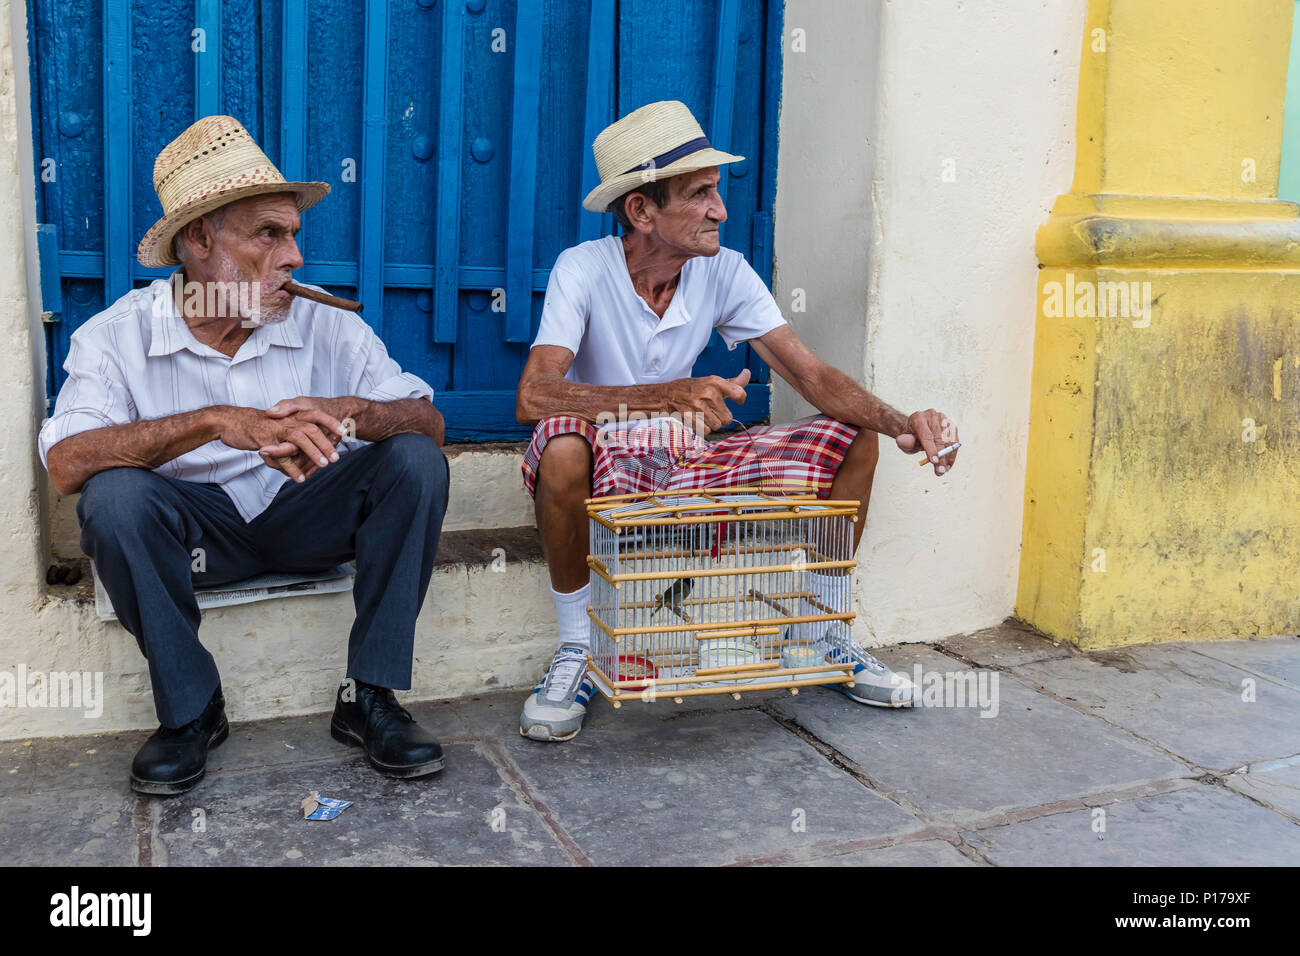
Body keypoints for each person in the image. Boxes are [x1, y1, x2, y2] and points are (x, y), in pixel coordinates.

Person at [515, 101, 961, 742]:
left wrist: (901, 421)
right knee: (559, 448)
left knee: (854, 438)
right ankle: (576, 651)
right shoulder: (582, 269)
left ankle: (825, 633)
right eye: (698, 195)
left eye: (715, 192)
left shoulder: (724, 270)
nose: (719, 210)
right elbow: (534, 397)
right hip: (605, 460)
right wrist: (670, 396)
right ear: (641, 211)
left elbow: (810, 376)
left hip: (691, 462)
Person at [39, 116, 450, 794]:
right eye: (268, 234)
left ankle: (370, 696)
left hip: (307, 517)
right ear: (199, 240)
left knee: (412, 459)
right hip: (198, 534)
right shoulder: (115, 337)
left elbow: (428, 423)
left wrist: (356, 414)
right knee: (114, 496)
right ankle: (192, 711)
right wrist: (213, 422)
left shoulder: (324, 322)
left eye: (292, 235)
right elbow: (67, 463)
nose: (293, 257)